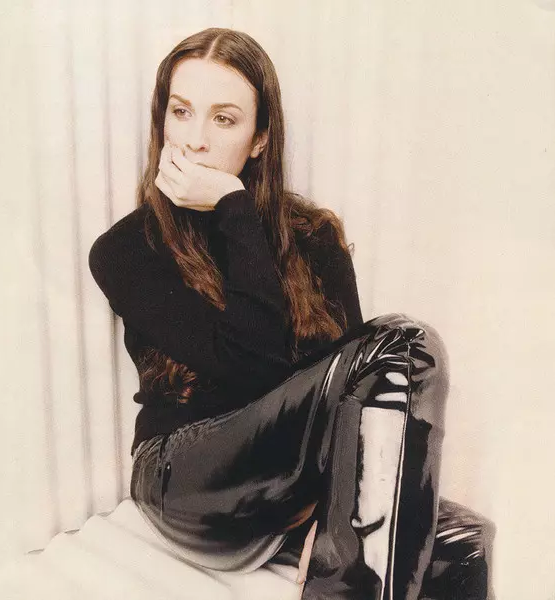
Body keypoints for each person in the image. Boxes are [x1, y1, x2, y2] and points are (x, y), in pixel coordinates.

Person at [88, 27, 449, 600]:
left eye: (223, 119)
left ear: (259, 140)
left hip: (288, 481)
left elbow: (349, 398)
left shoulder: (314, 236)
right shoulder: (126, 249)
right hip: (184, 479)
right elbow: (249, 367)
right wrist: (233, 205)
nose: (195, 141)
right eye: (181, 112)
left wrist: (331, 511)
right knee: (401, 343)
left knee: (463, 544)